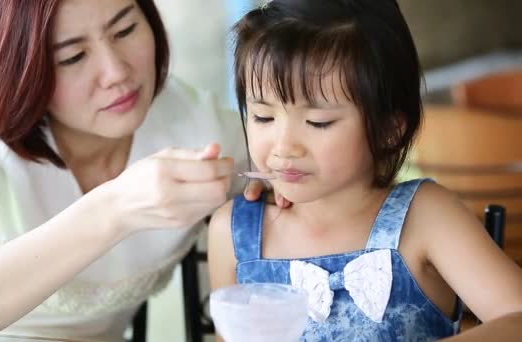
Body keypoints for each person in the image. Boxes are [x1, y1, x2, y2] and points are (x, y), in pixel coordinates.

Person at [0, 0, 284, 341]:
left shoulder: (201, 129)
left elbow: (303, 177)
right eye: (73, 57)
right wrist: (116, 207)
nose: (116, 72)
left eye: (125, 31)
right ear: (18, 67)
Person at [208, 0, 522, 341]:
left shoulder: (426, 217)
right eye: (263, 117)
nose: (284, 147)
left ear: (389, 129)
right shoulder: (234, 233)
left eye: (318, 122)